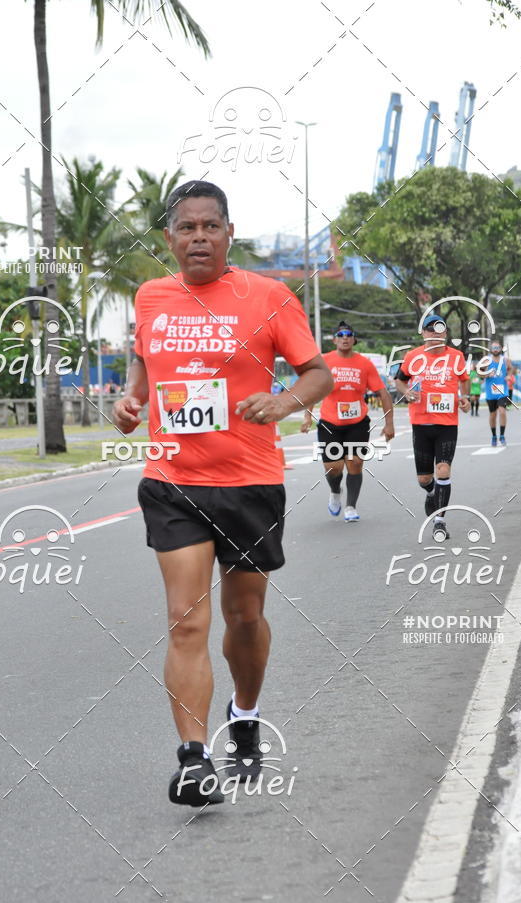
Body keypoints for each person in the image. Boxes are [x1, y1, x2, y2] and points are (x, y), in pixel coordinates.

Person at [112, 180, 332, 807]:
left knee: (244, 616)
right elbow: (146, 365)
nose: (199, 237)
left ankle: (246, 711)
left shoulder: (268, 296)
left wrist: (284, 401)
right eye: (188, 228)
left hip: (250, 482)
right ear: (170, 238)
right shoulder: (152, 296)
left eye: (211, 226)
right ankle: (193, 759)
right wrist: (132, 402)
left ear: (229, 233)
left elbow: (317, 372)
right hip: (174, 481)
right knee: (187, 621)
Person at [302, 322, 394, 521]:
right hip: (330, 422)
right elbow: (312, 389)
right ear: (335, 339)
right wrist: (308, 416)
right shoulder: (324, 361)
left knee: (355, 462)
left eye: (349, 334)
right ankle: (335, 492)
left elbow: (383, 393)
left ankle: (351, 507)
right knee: (333, 468)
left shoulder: (365, 363)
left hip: (357, 422)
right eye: (340, 334)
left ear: (354, 339)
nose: (345, 338)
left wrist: (389, 424)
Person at [394, 314, 470, 540]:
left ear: (445, 333)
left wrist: (464, 397)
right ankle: (431, 492)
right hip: (421, 423)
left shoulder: (456, 357)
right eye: (431, 329)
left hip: (447, 424)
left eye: (440, 329)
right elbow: (399, 379)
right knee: (424, 479)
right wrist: (406, 391)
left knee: (443, 470)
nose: (435, 333)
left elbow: (464, 379)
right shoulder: (412, 357)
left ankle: (439, 522)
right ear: (423, 333)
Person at [483, 340, 513, 447]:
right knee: (493, 414)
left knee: (502, 412)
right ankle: (494, 436)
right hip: (490, 392)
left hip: (502, 391)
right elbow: (479, 373)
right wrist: (486, 375)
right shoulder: (487, 360)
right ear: (491, 349)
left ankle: (502, 435)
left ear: (501, 349)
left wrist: (509, 375)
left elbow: (510, 369)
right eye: (494, 348)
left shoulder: (506, 360)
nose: (496, 350)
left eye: (498, 348)